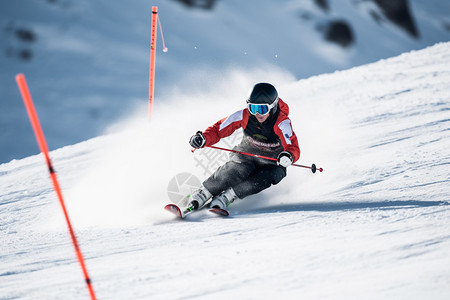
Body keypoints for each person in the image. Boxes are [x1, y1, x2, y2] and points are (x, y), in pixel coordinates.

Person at [188, 82, 300, 210]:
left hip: (271, 161)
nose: (258, 114)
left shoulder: (281, 122)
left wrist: (289, 155)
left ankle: (229, 196)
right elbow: (219, 129)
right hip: (247, 154)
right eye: (253, 108)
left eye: (262, 109)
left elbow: (293, 146)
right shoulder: (244, 115)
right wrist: (203, 138)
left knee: (272, 174)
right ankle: (204, 193)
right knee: (239, 169)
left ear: (273, 107)